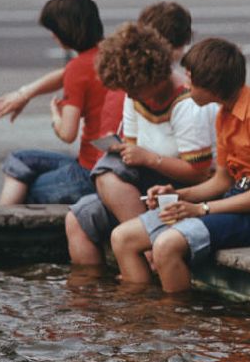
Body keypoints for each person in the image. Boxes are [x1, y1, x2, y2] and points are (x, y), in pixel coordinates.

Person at [110, 38, 250, 292]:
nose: (186, 86)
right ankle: (142, 318)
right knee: (122, 238)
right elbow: (221, 181)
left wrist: (200, 209)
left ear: (212, 86)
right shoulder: (223, 114)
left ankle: (175, 323)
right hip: (233, 201)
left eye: (191, 80)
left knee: (166, 246)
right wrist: (176, 195)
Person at [66, 23, 219, 266]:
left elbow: (199, 173)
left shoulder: (187, 105)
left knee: (109, 174)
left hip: (184, 189)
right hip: (147, 188)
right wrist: (127, 151)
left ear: (153, 76)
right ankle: (94, 294)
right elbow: (133, 146)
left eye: (133, 88)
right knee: (77, 219)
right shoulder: (134, 95)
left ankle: (147, 248)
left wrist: (150, 159)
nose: (130, 94)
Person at [0, 0, 194, 129]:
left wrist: (28, 95)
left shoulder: (131, 65)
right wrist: (25, 93)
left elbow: (68, 130)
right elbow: (74, 71)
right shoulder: (134, 65)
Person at [0, 0, 110, 206]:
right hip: (105, 167)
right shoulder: (111, 54)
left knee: (26, 183)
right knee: (18, 160)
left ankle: (0, 231)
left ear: (66, 32)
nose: (52, 35)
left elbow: (67, 133)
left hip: (88, 174)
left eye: (54, 30)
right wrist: (25, 93)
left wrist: (55, 116)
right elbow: (67, 74)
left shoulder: (78, 68)